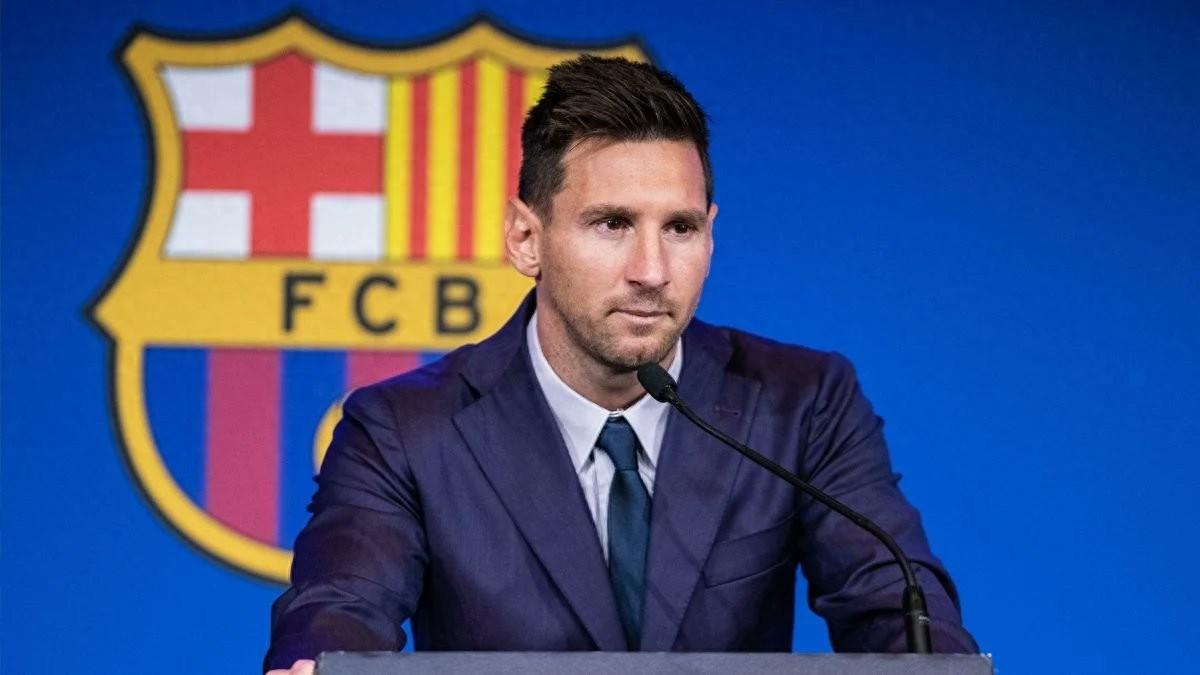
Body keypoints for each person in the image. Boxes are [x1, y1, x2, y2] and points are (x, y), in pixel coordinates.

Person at [265, 55, 977, 674]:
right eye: (612, 224)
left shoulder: (803, 402)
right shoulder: (402, 429)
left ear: (711, 234)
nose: (651, 270)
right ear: (526, 238)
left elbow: (894, 603)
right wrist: (318, 661)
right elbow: (341, 609)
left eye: (680, 228)